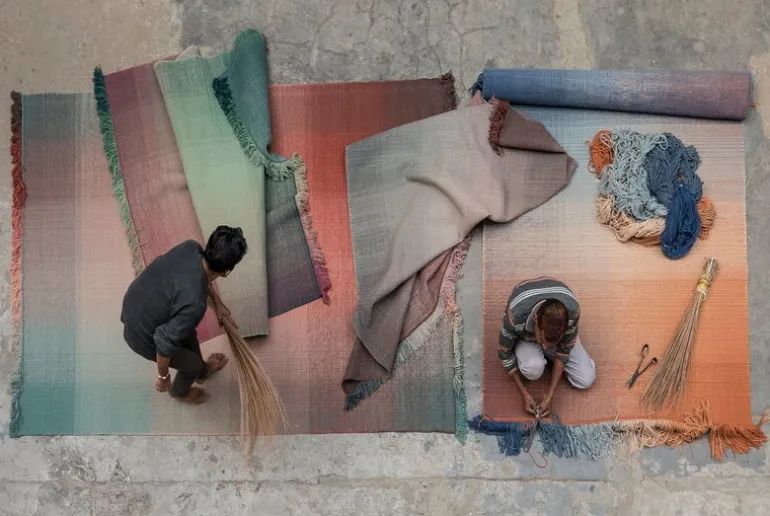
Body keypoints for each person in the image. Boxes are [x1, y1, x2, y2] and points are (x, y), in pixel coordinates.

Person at [121, 226, 248, 404]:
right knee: (193, 366)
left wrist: (218, 303)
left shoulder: (191, 247)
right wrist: (163, 376)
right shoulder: (195, 304)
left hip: (135, 304)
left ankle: (203, 372)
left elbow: (200, 280)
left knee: (187, 332)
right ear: (227, 271)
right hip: (141, 336)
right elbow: (163, 343)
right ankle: (179, 392)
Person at [498, 277, 596, 417]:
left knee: (586, 379)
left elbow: (563, 352)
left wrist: (549, 397)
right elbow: (505, 354)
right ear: (535, 319)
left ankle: (555, 345)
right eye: (542, 339)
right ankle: (527, 346)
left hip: (556, 330)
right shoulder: (515, 316)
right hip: (525, 334)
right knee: (533, 370)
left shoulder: (572, 312)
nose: (545, 346)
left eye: (551, 343)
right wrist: (524, 393)